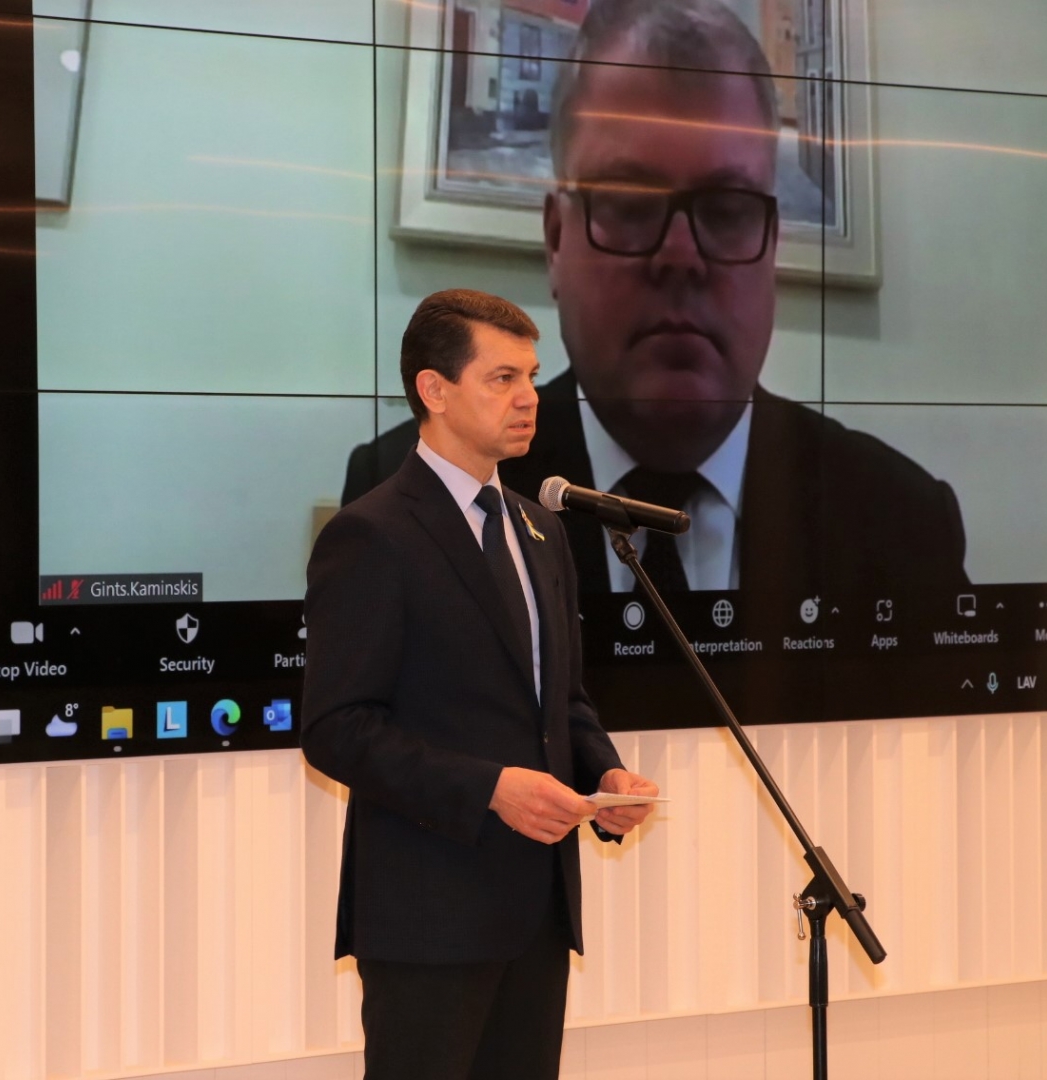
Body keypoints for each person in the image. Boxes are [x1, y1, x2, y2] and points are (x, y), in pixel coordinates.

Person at [344, 0, 971, 606]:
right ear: (556, 239)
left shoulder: (904, 520)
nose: (681, 258)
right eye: (628, 204)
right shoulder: (413, 493)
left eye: (726, 210)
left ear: (773, 247)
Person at [302, 289, 660, 1079]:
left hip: (536, 912)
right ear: (434, 390)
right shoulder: (371, 534)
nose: (529, 397)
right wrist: (490, 788)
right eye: (503, 378)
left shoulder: (542, 529)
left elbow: (561, 700)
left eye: (531, 376)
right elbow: (337, 727)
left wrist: (603, 773)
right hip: (428, 916)